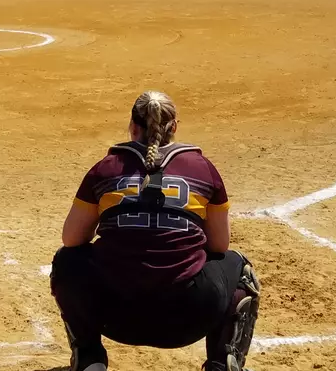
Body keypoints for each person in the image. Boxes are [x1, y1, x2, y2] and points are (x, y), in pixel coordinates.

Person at [50, 91, 260, 371]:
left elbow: (72, 238)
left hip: (115, 315)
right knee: (239, 268)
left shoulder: (106, 168)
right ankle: (222, 363)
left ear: (133, 127)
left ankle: (89, 360)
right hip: (187, 319)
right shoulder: (202, 168)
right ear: (174, 127)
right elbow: (220, 245)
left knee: (67, 260)